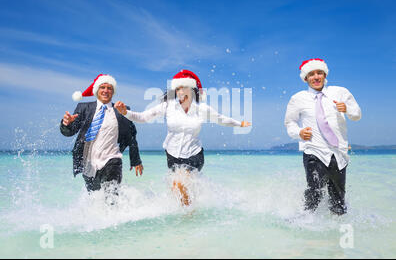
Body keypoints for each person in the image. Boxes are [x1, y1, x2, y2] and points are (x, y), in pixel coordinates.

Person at [114, 69, 251, 206]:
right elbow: (143, 117)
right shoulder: (167, 106)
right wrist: (125, 112)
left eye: (183, 88)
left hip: (194, 154)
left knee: (179, 183)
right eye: (177, 89)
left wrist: (240, 124)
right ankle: (189, 213)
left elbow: (221, 119)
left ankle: (188, 215)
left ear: (191, 90)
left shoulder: (201, 109)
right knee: (176, 188)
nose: (180, 92)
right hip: (172, 155)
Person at [284, 59, 361, 215]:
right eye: (311, 74)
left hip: (339, 153)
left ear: (325, 75)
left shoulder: (340, 92)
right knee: (314, 191)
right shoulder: (298, 98)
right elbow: (289, 122)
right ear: (305, 78)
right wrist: (298, 132)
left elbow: (357, 114)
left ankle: (336, 231)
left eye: (319, 73)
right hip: (314, 150)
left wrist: (347, 109)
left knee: (338, 201)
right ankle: (304, 223)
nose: (316, 77)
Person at [60, 74, 143, 201]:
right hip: (89, 162)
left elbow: (132, 135)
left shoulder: (122, 110)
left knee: (111, 197)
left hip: (112, 159)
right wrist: (66, 123)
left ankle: (115, 219)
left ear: (113, 91)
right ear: (96, 90)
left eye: (109, 88)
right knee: (95, 199)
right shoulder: (84, 108)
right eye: (102, 87)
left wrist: (135, 160)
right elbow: (69, 132)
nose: (105, 90)